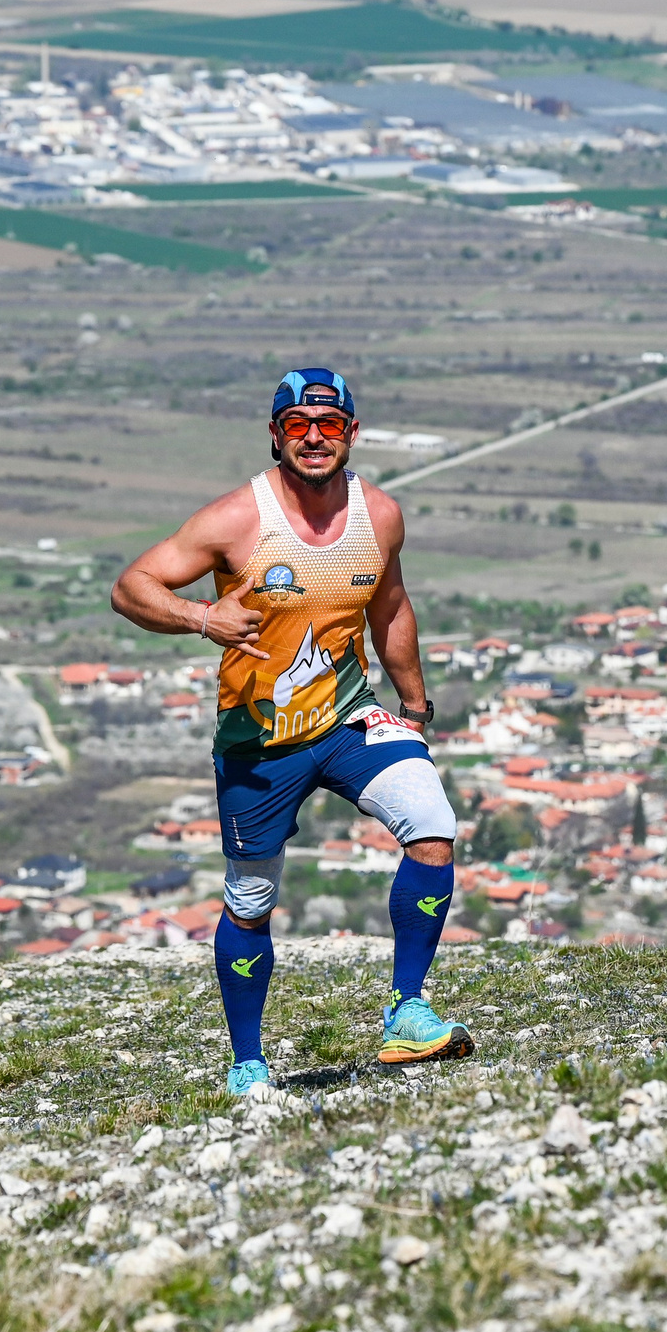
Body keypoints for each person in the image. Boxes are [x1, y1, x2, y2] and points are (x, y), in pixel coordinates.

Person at [113, 367, 471, 1097]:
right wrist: (202, 617)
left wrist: (415, 707)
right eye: (298, 425)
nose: (314, 438)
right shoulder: (235, 520)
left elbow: (391, 608)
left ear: (351, 434)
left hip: (346, 715)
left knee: (432, 822)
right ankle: (249, 1061)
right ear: (276, 434)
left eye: (329, 424)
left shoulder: (380, 516)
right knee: (251, 898)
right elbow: (132, 587)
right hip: (259, 741)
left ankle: (407, 1010)